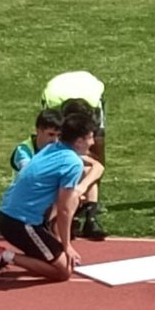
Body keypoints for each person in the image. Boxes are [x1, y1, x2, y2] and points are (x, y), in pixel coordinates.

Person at [0, 111, 102, 283]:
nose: (93, 142)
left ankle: (40, 253)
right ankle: (4, 256)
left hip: (10, 214)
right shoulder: (72, 163)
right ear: (79, 141)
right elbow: (64, 209)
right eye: (91, 138)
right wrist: (67, 246)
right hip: (21, 223)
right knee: (64, 272)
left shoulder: (52, 148)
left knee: (58, 256)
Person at [41, 70, 107, 239]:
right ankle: (69, 212)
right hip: (60, 99)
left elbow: (97, 151)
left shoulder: (94, 103)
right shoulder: (52, 101)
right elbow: (51, 141)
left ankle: (91, 217)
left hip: (89, 96)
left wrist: (85, 184)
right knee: (68, 162)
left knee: (94, 153)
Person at [10, 108, 62, 173]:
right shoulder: (24, 150)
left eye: (59, 135)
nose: (55, 140)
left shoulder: (61, 148)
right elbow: (29, 174)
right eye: (51, 134)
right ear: (38, 131)